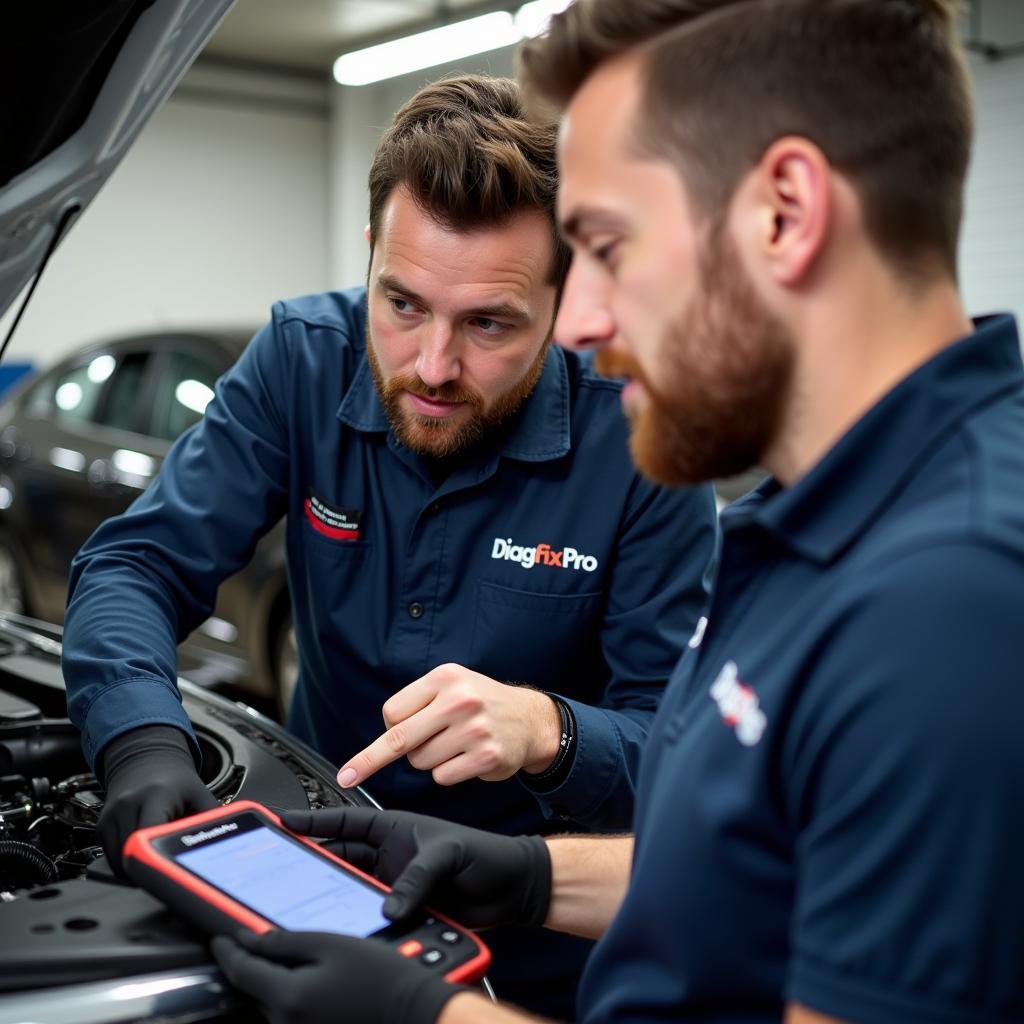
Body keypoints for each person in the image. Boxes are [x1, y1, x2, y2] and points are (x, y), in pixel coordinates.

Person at [210, 1, 1024, 1022]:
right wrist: (523, 872)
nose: (582, 321)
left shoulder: (953, 601)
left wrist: (434, 1018)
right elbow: (756, 873)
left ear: (784, 211)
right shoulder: (813, 522)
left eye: (607, 244)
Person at [61, 73, 718, 1018]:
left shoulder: (648, 437)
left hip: (543, 945)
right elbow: (137, 562)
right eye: (402, 303)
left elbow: (684, 754)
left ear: (564, 300)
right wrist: (141, 738)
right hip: (316, 893)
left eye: (489, 323)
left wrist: (551, 731)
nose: (434, 366)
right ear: (370, 254)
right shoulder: (301, 356)